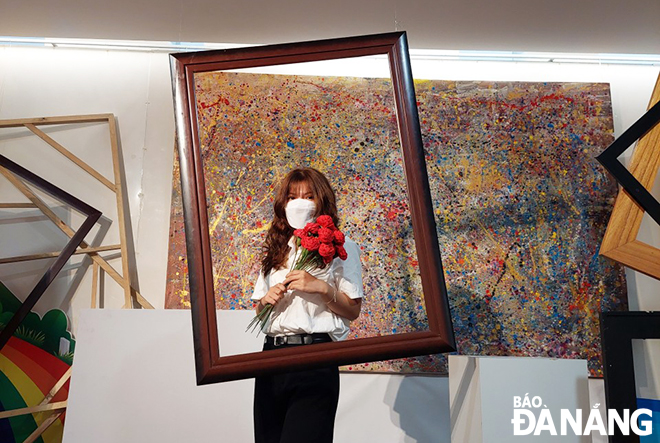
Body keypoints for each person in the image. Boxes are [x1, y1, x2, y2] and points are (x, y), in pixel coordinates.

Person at [251, 167, 364, 443]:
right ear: (283, 204)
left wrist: (321, 287)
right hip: (271, 357)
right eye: (292, 197)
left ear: (321, 200)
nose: (299, 203)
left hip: (314, 356)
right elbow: (259, 309)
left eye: (308, 196)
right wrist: (265, 302)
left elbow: (353, 310)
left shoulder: (342, 246)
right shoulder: (278, 247)